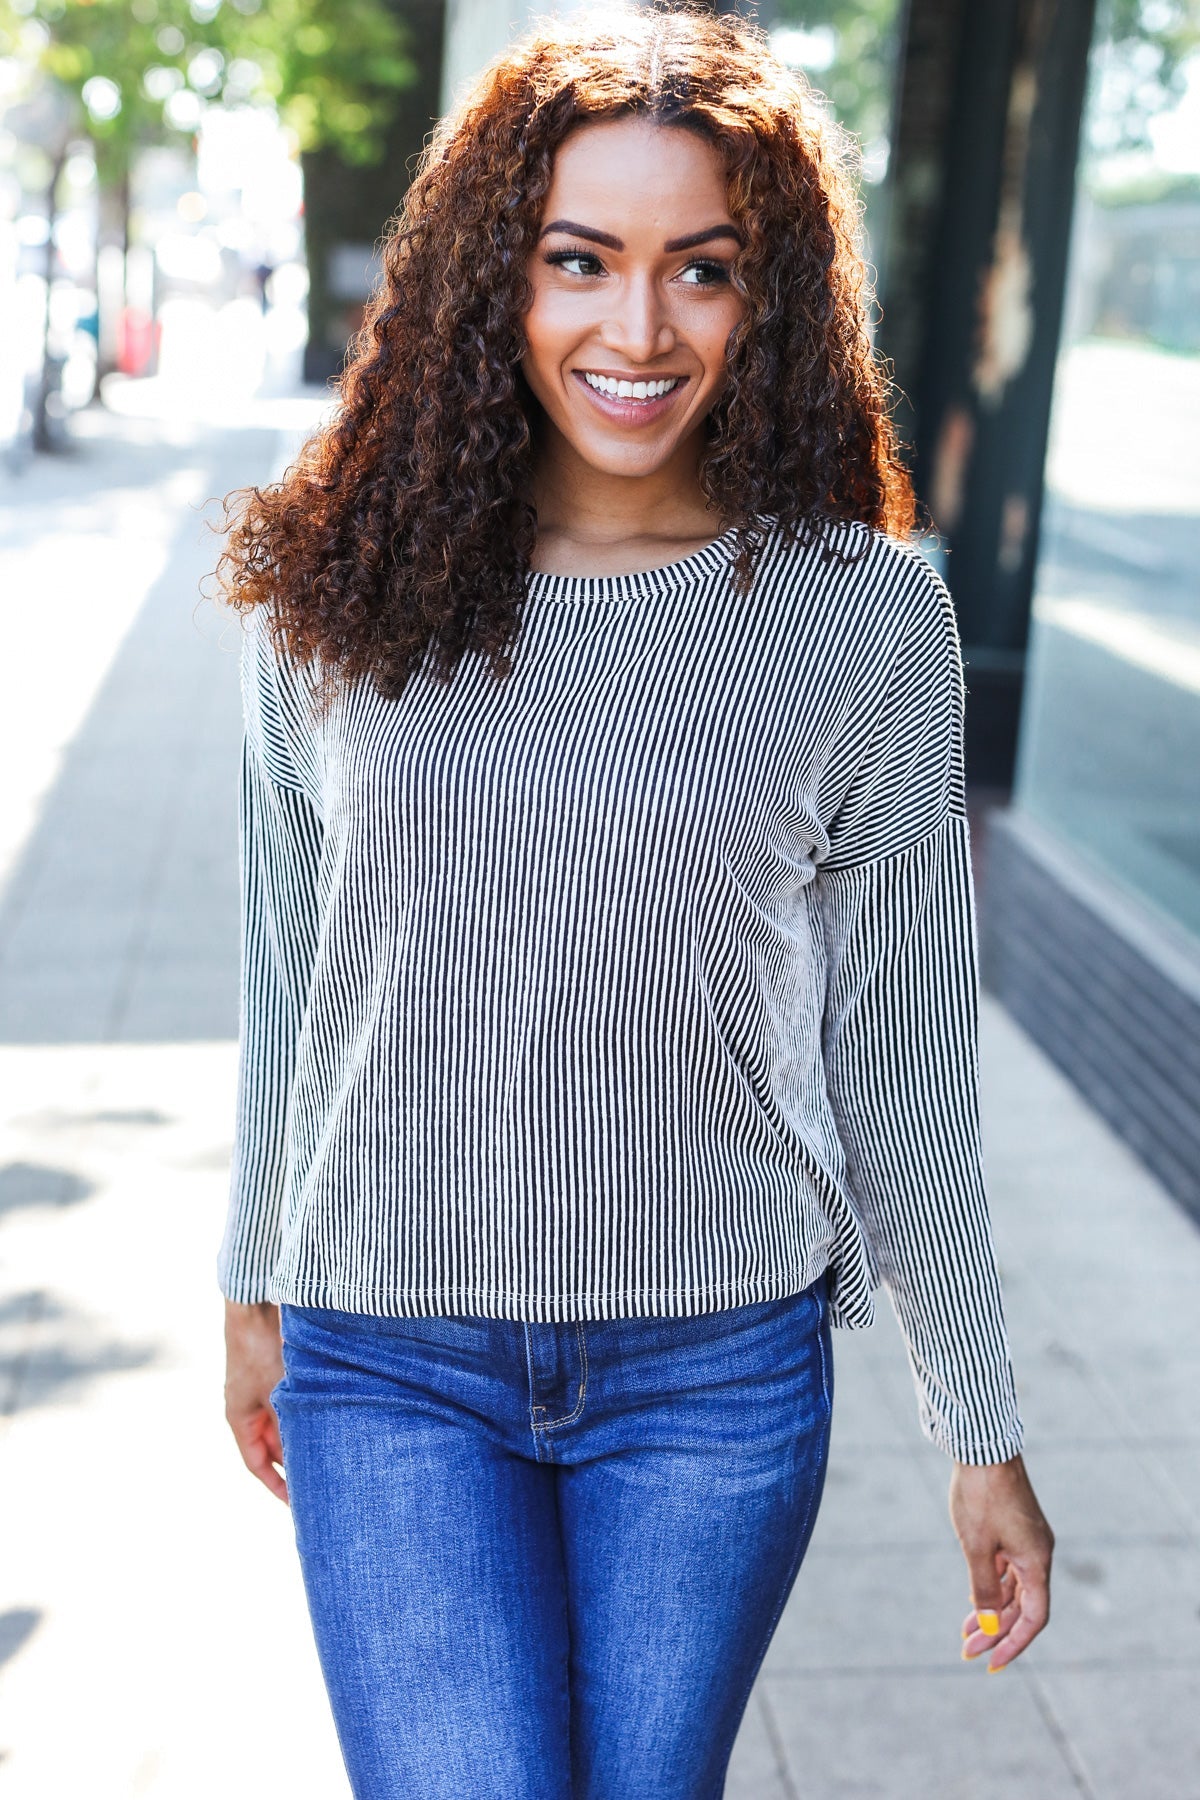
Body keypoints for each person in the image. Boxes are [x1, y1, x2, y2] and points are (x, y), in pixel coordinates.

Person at [217, 8, 1054, 1796]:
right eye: (578, 262)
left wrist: (978, 1422)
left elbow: (899, 1053)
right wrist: (247, 1278)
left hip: (716, 1374)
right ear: (486, 278)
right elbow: (294, 961)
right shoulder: (335, 589)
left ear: (777, 302)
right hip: (390, 1360)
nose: (638, 330)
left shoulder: (864, 619)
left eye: (705, 271)